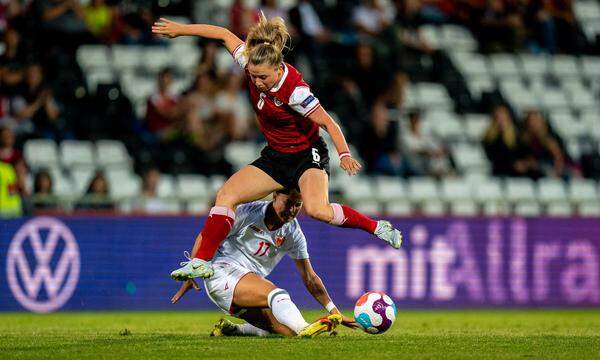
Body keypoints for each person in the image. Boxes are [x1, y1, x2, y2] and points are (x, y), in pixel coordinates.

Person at [152, 14, 402, 281]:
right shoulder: (250, 61)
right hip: (277, 156)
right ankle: (202, 262)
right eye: (253, 76)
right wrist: (181, 30)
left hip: (307, 155)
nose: (257, 82)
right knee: (226, 195)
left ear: (278, 68)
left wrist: (344, 155)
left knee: (318, 210)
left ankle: (377, 227)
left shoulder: (295, 92)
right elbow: (223, 33)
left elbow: (329, 123)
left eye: (262, 77)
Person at [170, 189, 357, 337]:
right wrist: (194, 268)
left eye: (298, 205)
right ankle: (304, 327)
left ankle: (234, 330)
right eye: (288, 203)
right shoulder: (247, 212)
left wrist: (334, 310)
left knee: (286, 333)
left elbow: (309, 277)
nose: (292, 210)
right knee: (276, 294)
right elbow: (206, 235)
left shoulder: (293, 233)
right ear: (275, 196)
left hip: (247, 287)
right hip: (222, 272)